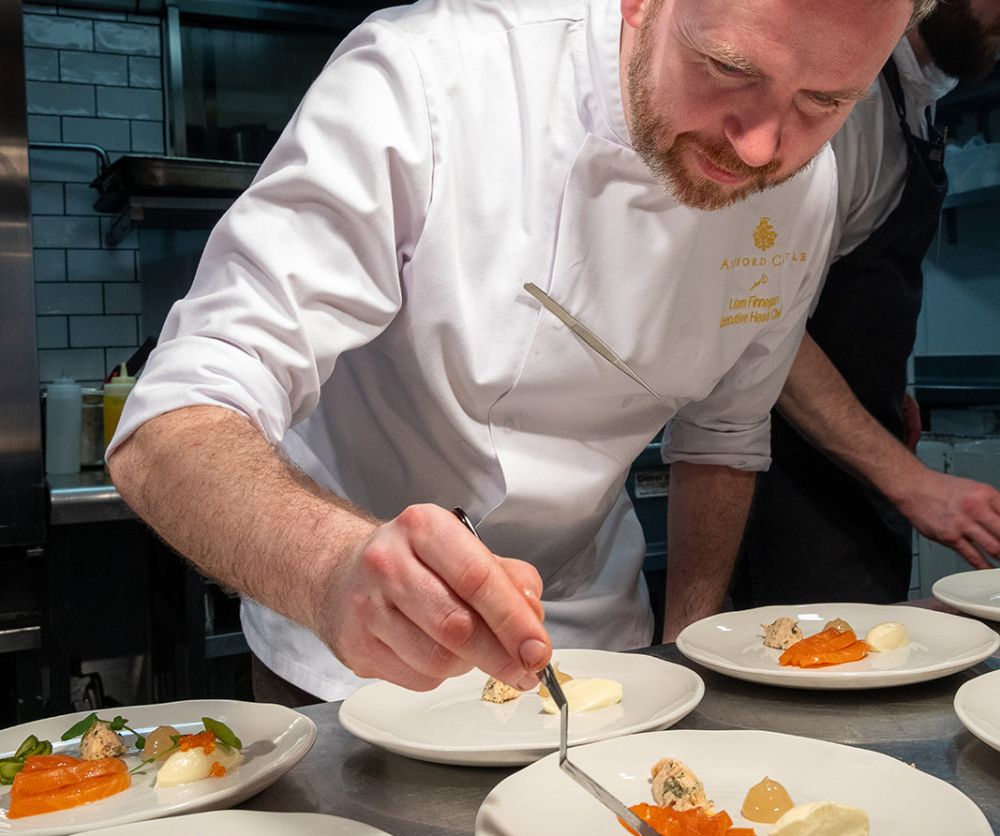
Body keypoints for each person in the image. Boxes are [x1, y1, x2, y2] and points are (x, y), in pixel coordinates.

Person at [107, 0, 925, 702]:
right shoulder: (426, 79)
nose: (758, 148)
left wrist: (685, 658)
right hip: (351, 658)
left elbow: (724, 434)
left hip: (602, 650)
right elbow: (172, 420)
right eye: (726, 67)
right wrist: (330, 569)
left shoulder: (800, 190)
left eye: (824, 102)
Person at [733, 0, 1000, 608]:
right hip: (791, 474)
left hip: (861, 450)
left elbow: (856, 282)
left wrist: (888, 386)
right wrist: (911, 481)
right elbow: (759, 318)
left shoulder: (919, 102)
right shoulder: (851, 109)